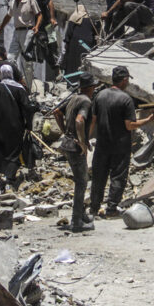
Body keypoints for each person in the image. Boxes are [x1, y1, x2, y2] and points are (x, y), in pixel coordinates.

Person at [89, 66, 154, 217]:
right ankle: (111, 208)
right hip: (120, 145)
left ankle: (93, 208)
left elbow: (93, 120)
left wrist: (87, 139)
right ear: (124, 80)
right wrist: (148, 120)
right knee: (118, 176)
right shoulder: (126, 99)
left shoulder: (100, 96)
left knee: (99, 176)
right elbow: (129, 125)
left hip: (102, 143)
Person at [53, 72, 98, 232]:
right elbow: (80, 121)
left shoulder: (73, 98)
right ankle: (76, 221)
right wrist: (82, 142)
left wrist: (65, 131)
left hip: (67, 143)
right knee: (81, 182)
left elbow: (57, 112)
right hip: (75, 146)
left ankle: (82, 215)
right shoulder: (86, 101)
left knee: (81, 178)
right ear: (91, 88)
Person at [0, 63, 36, 188]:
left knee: (0, 148)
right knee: (14, 151)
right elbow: (27, 108)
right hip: (15, 126)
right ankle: (10, 177)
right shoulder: (19, 89)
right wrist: (29, 125)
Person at [0, 0, 42, 82]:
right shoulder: (13, 2)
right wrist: (0, 28)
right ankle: (13, 81)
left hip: (28, 31)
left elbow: (39, 15)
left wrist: (37, 27)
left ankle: (28, 87)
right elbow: (8, 16)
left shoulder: (30, 0)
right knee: (10, 58)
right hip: (16, 32)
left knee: (27, 62)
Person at [61, 3, 97, 74]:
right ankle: (85, 80)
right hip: (87, 45)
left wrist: (66, 42)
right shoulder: (91, 20)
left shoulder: (74, 17)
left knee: (72, 62)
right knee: (84, 62)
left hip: (74, 44)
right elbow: (95, 33)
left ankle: (72, 81)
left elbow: (69, 32)